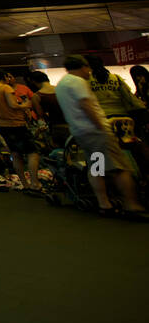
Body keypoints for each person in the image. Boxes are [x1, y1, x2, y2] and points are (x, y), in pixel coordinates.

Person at [55, 55, 148, 219]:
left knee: (97, 168)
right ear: (82, 66)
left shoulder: (62, 84)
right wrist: (101, 126)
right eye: (87, 68)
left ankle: (104, 203)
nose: (89, 71)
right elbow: (86, 105)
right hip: (97, 132)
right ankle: (132, 206)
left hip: (82, 133)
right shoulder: (78, 82)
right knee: (120, 169)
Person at [0, 71, 40, 193]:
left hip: (1, 125)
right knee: (32, 152)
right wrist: (26, 105)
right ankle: (35, 184)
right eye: (8, 76)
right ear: (4, 77)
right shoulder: (5, 88)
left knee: (15, 154)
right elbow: (13, 105)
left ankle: (25, 184)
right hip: (16, 124)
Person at [87, 56, 147, 134]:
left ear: (89, 66)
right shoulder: (116, 78)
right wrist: (142, 108)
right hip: (123, 117)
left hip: (102, 118)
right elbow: (129, 97)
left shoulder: (87, 81)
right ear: (103, 64)